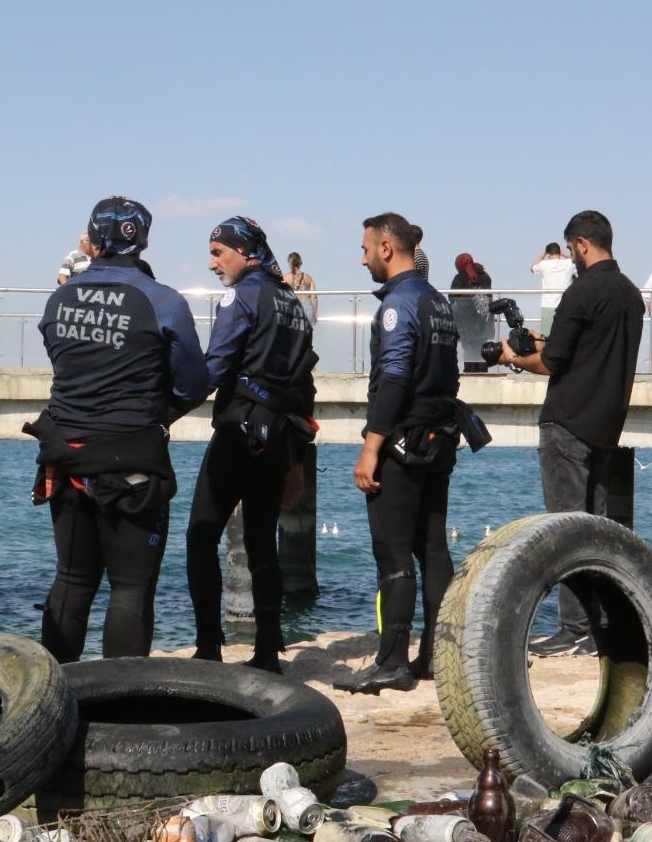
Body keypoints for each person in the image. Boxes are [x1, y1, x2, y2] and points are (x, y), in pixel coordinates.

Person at [30, 196, 206, 662]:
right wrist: (158, 413)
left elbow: (58, 355)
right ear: (143, 241)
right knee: (131, 587)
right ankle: (123, 695)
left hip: (65, 454)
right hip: (134, 461)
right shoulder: (163, 301)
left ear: (91, 239)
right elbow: (193, 384)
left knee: (72, 579)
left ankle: (55, 692)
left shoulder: (60, 297)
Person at [497, 210, 644, 656]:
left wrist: (511, 358)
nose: (572, 257)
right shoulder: (631, 295)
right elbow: (586, 350)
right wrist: (543, 341)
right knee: (596, 533)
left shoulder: (581, 291)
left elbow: (551, 363)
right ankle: (599, 628)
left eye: (571, 248)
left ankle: (572, 627)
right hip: (605, 426)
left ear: (581, 244)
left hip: (567, 423)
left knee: (564, 531)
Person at [338, 212, 466, 695]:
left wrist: (371, 447)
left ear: (386, 248)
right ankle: (435, 654)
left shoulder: (398, 303)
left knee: (392, 553)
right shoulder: (438, 302)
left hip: (403, 443)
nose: (363, 258)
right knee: (433, 549)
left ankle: (392, 662)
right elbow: (450, 375)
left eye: (365, 248)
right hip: (439, 439)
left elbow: (393, 377)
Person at [187, 217, 316, 672]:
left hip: (239, 432)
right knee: (262, 543)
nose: (212, 264)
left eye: (218, 253)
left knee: (201, 535)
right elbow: (304, 388)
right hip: (278, 438)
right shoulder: (291, 302)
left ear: (243, 252)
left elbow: (214, 367)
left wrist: (161, 412)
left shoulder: (241, 296)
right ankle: (266, 652)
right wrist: (295, 459)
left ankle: (208, 647)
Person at [451, 253, 494, 373]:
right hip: (484, 318)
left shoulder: (460, 277)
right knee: (482, 348)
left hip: (466, 320)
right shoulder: (485, 275)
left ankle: (470, 373)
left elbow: (452, 297)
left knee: (469, 348)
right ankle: (482, 373)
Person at [531, 243, 577, 336]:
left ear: (548, 254)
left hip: (548, 304)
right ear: (559, 252)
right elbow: (578, 261)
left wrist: (543, 253)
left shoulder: (543, 264)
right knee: (566, 335)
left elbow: (532, 268)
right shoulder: (568, 263)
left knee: (546, 336)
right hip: (566, 304)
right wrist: (564, 254)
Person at [285, 252, 318, 321]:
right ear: (301, 263)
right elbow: (314, 297)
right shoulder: (308, 278)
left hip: (292, 309)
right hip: (307, 310)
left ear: (290, 264)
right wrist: (315, 314)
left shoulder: (285, 278)